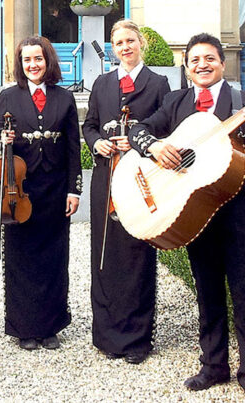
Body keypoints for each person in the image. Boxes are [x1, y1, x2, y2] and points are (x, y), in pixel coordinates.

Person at [128, 33, 245, 392]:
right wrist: (157, 148)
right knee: (207, 292)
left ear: (222, 63)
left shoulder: (239, 101)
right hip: (196, 215)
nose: (202, 65)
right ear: (187, 66)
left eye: (209, 58)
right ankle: (213, 366)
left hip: (238, 214)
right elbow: (137, 131)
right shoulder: (177, 102)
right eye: (195, 60)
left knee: (244, 294)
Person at [82, 19, 170, 364]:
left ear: (141, 43)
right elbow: (89, 125)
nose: (124, 47)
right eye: (118, 43)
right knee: (104, 256)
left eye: (130, 41)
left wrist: (140, 146)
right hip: (107, 177)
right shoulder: (102, 83)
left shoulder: (158, 83)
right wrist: (98, 142)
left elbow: (168, 129)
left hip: (140, 180)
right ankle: (106, 335)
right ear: (113, 48)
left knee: (137, 255)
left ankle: (137, 339)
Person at [0, 36, 81, 351]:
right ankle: (24, 327)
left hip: (56, 188)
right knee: (21, 256)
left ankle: (51, 325)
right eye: (27, 60)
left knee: (55, 258)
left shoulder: (65, 98)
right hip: (20, 189)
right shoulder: (8, 97)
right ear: (21, 64)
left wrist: (74, 189)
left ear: (48, 62)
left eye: (38, 59)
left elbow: (73, 147)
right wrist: (3, 138)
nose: (33, 65)